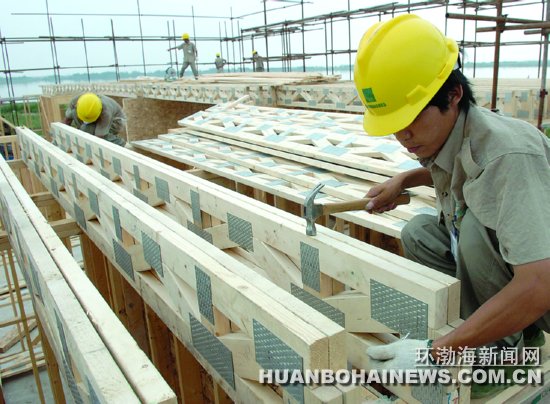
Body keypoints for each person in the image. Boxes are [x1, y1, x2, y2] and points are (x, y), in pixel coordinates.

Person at [354, 14, 550, 398]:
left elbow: (540, 283)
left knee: (474, 233)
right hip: (523, 276)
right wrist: (403, 180)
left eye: (412, 117)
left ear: (454, 94)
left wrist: (435, 353)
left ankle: (505, 354)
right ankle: (486, 328)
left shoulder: (508, 155)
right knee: (420, 233)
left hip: (540, 290)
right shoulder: (453, 135)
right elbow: (460, 173)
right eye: (394, 123)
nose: (403, 135)